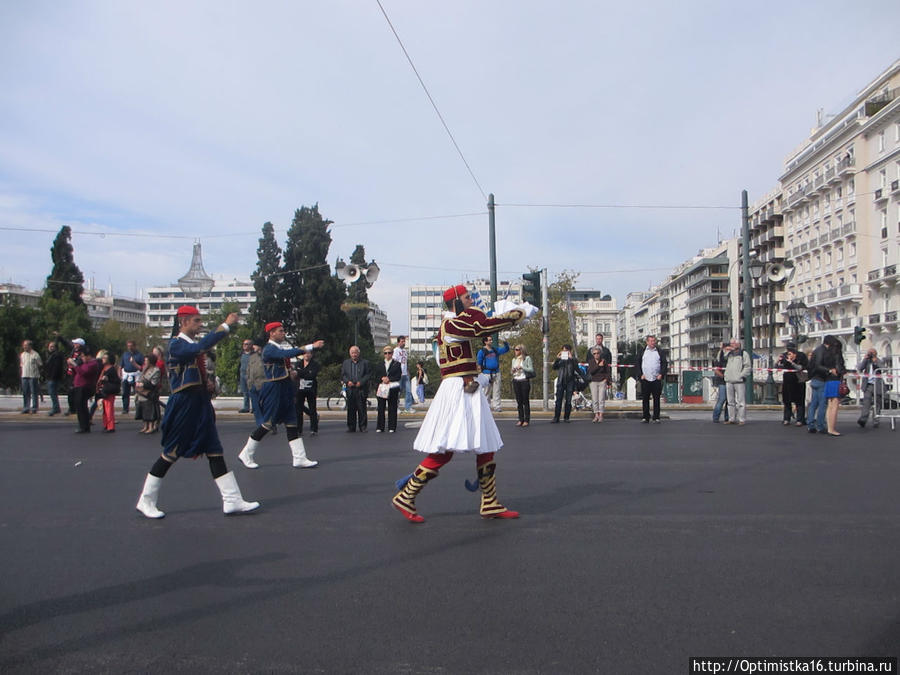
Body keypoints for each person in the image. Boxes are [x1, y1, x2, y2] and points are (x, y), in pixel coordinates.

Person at [391, 284, 526, 524]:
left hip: (467, 387)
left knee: (485, 445)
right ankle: (407, 494)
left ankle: (490, 502)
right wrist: (515, 316)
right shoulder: (451, 324)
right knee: (444, 450)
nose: (471, 300)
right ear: (455, 301)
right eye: (467, 297)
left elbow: (478, 330)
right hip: (456, 391)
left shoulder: (455, 323)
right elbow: (481, 327)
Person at [135, 306, 259, 519]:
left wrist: (206, 385)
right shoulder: (176, 344)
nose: (200, 325)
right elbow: (201, 347)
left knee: (214, 450)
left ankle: (232, 500)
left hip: (200, 403)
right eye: (196, 321)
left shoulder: (189, 345)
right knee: (171, 452)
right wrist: (226, 325)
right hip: (184, 405)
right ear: (183, 322)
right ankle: (146, 500)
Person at [236, 322, 323, 470]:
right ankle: (246, 453)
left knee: (291, 422)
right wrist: (311, 346)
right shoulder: (269, 349)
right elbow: (287, 354)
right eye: (280, 331)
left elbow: (284, 363)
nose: (283, 333)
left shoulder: (276, 348)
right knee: (268, 423)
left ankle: (299, 457)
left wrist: (291, 375)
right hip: (273, 389)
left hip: (283, 388)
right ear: (272, 333)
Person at [806, 336, 843, 435]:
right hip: (821, 379)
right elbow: (818, 365)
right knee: (823, 404)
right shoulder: (822, 351)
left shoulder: (817, 350)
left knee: (813, 403)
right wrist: (829, 370)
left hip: (814, 379)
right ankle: (820, 425)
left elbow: (813, 365)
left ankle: (810, 424)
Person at [636, 335, 668, 423]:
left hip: (656, 379)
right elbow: (638, 364)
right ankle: (646, 416)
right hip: (645, 378)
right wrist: (640, 375)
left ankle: (656, 417)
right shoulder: (642, 351)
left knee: (656, 399)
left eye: (653, 341)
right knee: (645, 399)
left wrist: (661, 374)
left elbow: (664, 363)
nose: (652, 342)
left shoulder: (659, 351)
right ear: (647, 342)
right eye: (650, 341)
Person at [70, 346, 101, 433]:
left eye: (83, 356)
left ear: (89, 356)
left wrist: (75, 365)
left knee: (81, 407)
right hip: (79, 386)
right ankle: (83, 425)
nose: (82, 358)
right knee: (80, 407)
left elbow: (83, 372)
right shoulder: (85, 363)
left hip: (84, 387)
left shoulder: (93, 364)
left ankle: (84, 426)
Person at [776, 343, 808, 426]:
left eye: (791, 350)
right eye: (788, 350)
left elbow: (800, 368)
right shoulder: (784, 356)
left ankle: (800, 420)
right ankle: (786, 419)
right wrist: (778, 361)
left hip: (798, 381)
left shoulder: (801, 356)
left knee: (799, 402)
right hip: (787, 381)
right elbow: (778, 367)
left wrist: (792, 361)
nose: (789, 352)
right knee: (787, 401)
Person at [341, 345, 371, 433]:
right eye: (352, 353)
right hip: (350, 389)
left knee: (362, 408)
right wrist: (347, 382)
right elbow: (343, 375)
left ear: (358, 353)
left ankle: (363, 427)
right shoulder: (346, 363)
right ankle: (351, 427)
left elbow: (368, 375)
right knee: (351, 409)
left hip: (361, 389)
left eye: (355, 353)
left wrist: (361, 382)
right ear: (350, 354)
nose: (354, 355)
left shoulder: (365, 363)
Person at [821, 335, 846, 437]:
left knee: (830, 404)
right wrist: (843, 372)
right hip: (835, 380)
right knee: (835, 405)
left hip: (828, 379)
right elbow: (840, 367)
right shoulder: (837, 353)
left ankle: (829, 427)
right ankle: (832, 428)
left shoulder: (826, 353)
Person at [723, 338, 751, 425]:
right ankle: (731, 418)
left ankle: (741, 419)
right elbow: (723, 358)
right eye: (731, 343)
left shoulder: (743, 353)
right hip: (729, 380)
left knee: (741, 401)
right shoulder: (729, 354)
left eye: (733, 343)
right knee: (730, 401)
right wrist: (726, 351)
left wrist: (741, 375)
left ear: (738, 344)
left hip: (739, 381)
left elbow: (747, 366)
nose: (731, 345)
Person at [477, 335, 509, 412]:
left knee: (497, 391)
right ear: (485, 342)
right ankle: (486, 407)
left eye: (491, 340)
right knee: (486, 391)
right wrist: (479, 373)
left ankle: (497, 406)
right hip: (486, 373)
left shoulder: (495, 350)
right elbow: (479, 363)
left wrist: (505, 342)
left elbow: (506, 349)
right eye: (489, 340)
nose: (491, 341)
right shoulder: (482, 352)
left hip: (496, 372)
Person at [374, 345, 402, 432]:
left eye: (389, 353)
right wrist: (382, 378)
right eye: (385, 353)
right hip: (382, 388)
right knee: (381, 408)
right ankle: (380, 427)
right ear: (383, 354)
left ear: (392, 354)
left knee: (392, 407)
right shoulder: (379, 364)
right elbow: (376, 376)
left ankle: (392, 427)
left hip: (392, 387)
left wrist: (389, 379)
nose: (387, 355)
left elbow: (398, 376)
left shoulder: (397, 364)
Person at [294, 349, 321, 436]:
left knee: (312, 409)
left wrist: (302, 373)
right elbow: (296, 374)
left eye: (308, 353)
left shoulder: (315, 364)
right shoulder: (298, 363)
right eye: (305, 353)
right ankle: (299, 429)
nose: (306, 355)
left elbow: (312, 375)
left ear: (311, 355)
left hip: (311, 389)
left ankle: (314, 429)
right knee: (298, 409)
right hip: (299, 389)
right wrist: (306, 372)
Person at [856, 348, 883, 429]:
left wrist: (875, 361)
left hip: (877, 384)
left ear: (875, 353)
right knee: (866, 403)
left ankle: (876, 421)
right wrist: (865, 358)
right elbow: (860, 368)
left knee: (877, 403)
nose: (870, 354)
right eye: (869, 352)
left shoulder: (879, 360)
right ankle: (863, 420)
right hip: (868, 385)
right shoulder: (867, 361)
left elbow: (882, 368)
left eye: (872, 353)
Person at [134, 355, 162, 434]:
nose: (145, 362)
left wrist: (143, 384)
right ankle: (145, 426)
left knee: (149, 410)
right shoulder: (145, 369)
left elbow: (154, 383)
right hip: (141, 393)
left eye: (146, 360)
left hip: (149, 393)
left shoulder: (156, 370)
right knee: (143, 409)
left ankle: (151, 426)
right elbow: (140, 378)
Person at [95, 351, 120, 433]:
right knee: (105, 410)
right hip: (104, 391)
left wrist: (107, 380)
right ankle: (106, 424)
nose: (103, 359)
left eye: (105, 358)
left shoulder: (111, 369)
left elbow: (116, 381)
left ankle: (110, 426)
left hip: (109, 391)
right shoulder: (104, 368)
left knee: (109, 409)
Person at [510, 344, 534, 427]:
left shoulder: (527, 358)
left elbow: (531, 369)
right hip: (516, 380)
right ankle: (521, 419)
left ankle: (527, 419)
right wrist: (513, 370)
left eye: (517, 349)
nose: (515, 351)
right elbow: (511, 371)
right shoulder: (514, 360)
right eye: (515, 349)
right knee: (519, 401)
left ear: (521, 350)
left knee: (525, 400)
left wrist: (522, 367)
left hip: (524, 380)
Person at [587, 344, 611, 423]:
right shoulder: (591, 362)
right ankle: (596, 415)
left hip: (602, 381)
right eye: (594, 353)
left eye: (597, 353)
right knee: (595, 399)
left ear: (600, 353)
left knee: (601, 399)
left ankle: (601, 415)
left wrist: (606, 380)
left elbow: (608, 371)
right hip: (593, 381)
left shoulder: (604, 361)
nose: (596, 355)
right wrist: (598, 366)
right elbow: (591, 371)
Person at [119, 340, 144, 415]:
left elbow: (142, 367)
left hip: (135, 375)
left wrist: (134, 363)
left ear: (134, 346)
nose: (130, 348)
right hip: (126, 375)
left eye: (131, 346)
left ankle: (138, 409)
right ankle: (125, 409)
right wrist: (120, 375)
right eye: (128, 346)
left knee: (137, 393)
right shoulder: (125, 354)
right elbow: (120, 366)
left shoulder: (139, 355)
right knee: (125, 393)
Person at [43, 338, 66, 416]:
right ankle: (56, 407)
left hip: (53, 378)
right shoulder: (50, 355)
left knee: (52, 393)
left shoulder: (57, 355)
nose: (50, 348)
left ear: (55, 347)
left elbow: (56, 368)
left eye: (52, 346)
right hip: (49, 377)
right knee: (52, 393)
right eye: (50, 346)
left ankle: (55, 408)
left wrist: (52, 376)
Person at [19, 340, 42, 414]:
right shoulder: (22, 354)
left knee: (34, 392)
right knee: (25, 392)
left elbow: (40, 364)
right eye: (24, 345)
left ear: (30, 346)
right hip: (24, 375)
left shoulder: (35, 354)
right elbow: (21, 364)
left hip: (33, 376)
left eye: (26, 345)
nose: (24, 347)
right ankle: (26, 407)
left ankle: (34, 407)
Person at [392, 335, 414, 413]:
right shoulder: (396, 350)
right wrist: (398, 372)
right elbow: (395, 362)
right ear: (398, 342)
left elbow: (405, 362)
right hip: (399, 374)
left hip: (405, 374)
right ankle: (396, 407)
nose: (404, 343)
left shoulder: (405, 351)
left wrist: (407, 371)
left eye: (404, 341)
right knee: (398, 391)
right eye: (402, 341)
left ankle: (408, 407)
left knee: (408, 391)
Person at [711, 343, 729, 423]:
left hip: (729, 380)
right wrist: (723, 376)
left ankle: (727, 418)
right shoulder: (720, 355)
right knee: (722, 399)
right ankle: (716, 417)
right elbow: (715, 368)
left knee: (729, 401)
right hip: (723, 380)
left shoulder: (729, 355)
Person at [238, 338, 254, 413]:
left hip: (251, 375)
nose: (245, 345)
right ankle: (246, 407)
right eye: (244, 344)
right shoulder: (241, 354)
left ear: (251, 345)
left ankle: (254, 407)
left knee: (252, 392)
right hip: (242, 375)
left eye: (247, 344)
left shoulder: (254, 354)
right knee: (245, 392)